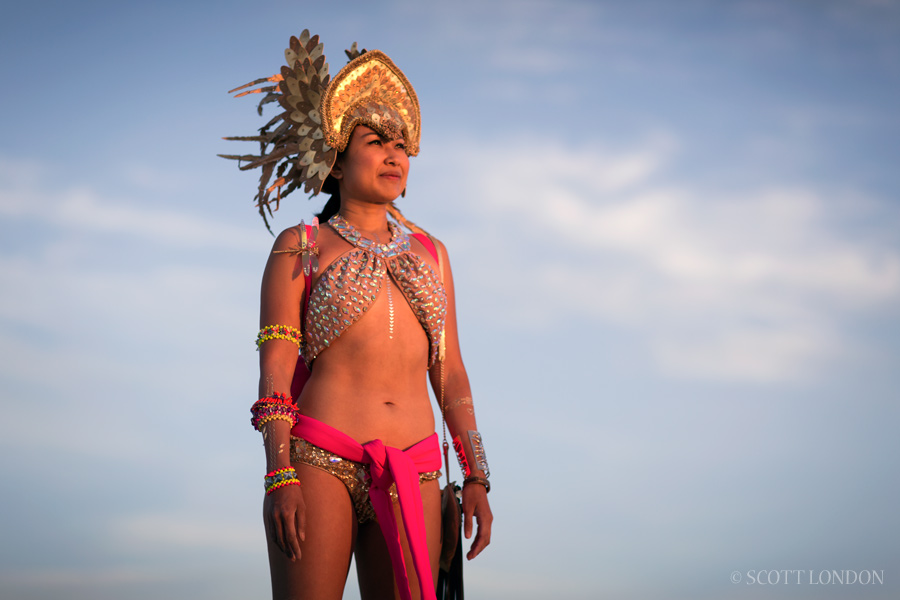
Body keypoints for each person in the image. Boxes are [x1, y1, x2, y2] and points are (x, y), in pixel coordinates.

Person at [221, 30, 493, 600]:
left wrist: (475, 475)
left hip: (416, 471)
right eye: (375, 141)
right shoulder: (300, 246)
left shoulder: (433, 254)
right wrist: (280, 473)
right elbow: (275, 371)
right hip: (320, 460)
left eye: (401, 143)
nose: (394, 153)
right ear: (337, 160)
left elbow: (451, 372)